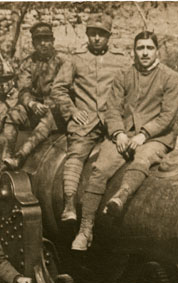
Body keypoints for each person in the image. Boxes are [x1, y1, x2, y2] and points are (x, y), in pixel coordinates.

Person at [71, 31, 178, 250]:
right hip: (124, 134)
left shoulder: (170, 77)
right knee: (100, 169)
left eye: (149, 48)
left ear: (157, 51)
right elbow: (112, 109)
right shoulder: (123, 75)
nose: (145, 53)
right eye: (140, 48)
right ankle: (85, 229)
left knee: (143, 158)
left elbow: (167, 116)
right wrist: (118, 133)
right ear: (134, 51)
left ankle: (121, 196)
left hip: (155, 137)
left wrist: (144, 134)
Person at [51, 13, 130, 223]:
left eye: (101, 34)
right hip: (86, 121)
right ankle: (69, 204)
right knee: (76, 154)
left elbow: (132, 89)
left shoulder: (121, 60)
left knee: (128, 151)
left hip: (114, 119)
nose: (96, 38)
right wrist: (72, 111)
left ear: (109, 36)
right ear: (87, 34)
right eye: (92, 33)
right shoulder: (75, 59)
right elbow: (58, 89)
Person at [1, 21, 67, 170]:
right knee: (13, 114)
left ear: (53, 41)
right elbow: (23, 89)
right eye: (39, 40)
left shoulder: (63, 61)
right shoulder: (28, 63)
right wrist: (32, 104)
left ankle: (20, 157)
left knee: (48, 117)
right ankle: (6, 157)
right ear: (33, 43)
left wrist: (53, 104)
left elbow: (69, 88)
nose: (43, 44)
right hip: (35, 109)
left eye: (46, 39)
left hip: (57, 112)